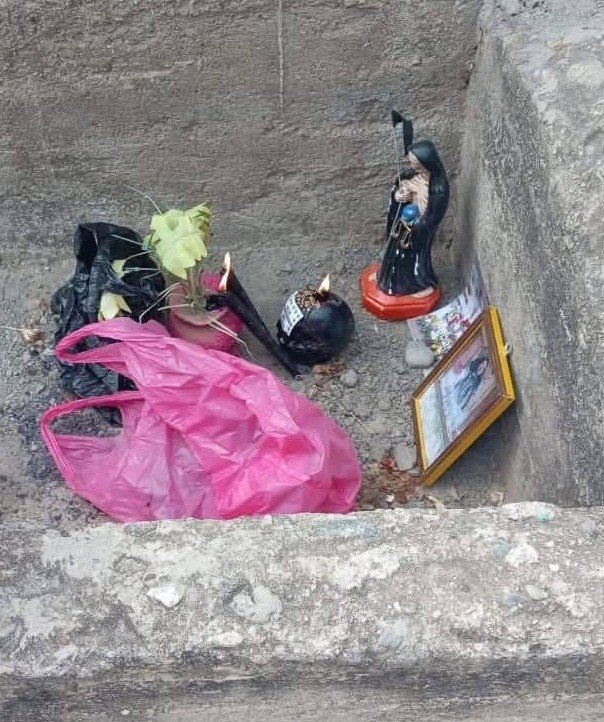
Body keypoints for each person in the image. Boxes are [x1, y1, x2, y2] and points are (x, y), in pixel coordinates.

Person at [377, 140, 450, 296]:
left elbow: (434, 216)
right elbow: (401, 188)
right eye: (413, 164)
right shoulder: (413, 175)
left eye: (417, 166)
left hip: (419, 229)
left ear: (427, 163)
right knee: (395, 252)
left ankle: (422, 285)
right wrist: (399, 196)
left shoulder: (438, 187)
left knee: (414, 258)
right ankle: (389, 281)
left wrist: (416, 226)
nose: (413, 168)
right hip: (404, 223)